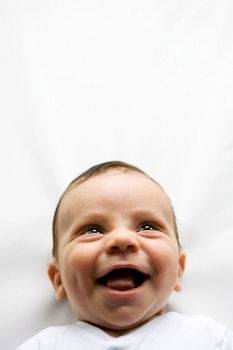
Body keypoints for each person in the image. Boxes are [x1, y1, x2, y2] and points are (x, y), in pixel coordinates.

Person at [17, 161, 233, 349]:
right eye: (93, 230)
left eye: (148, 226)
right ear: (59, 278)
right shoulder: (44, 345)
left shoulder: (208, 338)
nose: (122, 239)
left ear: (178, 270)